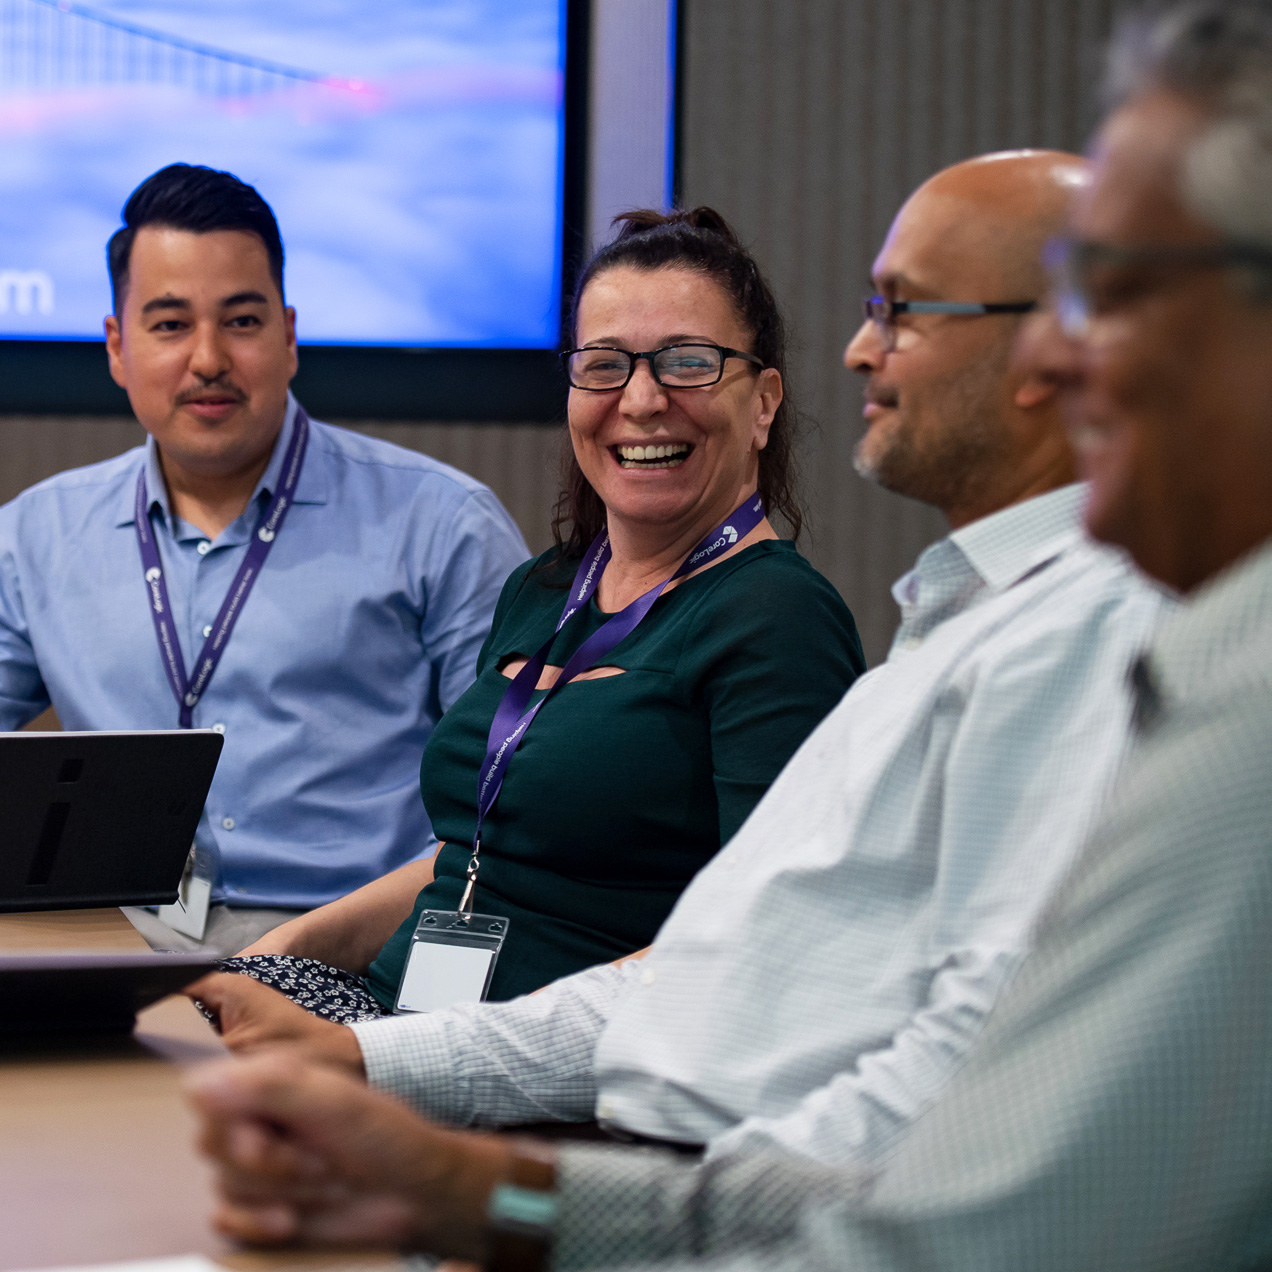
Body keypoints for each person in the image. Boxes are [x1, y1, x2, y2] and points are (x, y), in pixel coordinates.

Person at [187, 2, 1272, 1268]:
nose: (864, 349)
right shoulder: (958, 618)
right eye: (605, 364)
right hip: (610, 1142)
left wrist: (477, 1161)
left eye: (1109, 294)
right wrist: (474, 1175)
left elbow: (962, 1204)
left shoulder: (1148, 669)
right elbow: (760, 1031)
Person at [191, 208, 865, 1021]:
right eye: (605, 365)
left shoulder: (777, 616)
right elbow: (469, 857)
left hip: (535, 1070)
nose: (643, 400)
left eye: (689, 363)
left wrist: (427, 1057)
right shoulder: (546, 587)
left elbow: (758, 936)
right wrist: (268, 959)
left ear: (762, 403)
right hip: (395, 1013)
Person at [0, 163, 530, 957]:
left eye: (242, 322)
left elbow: (511, 804)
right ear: (116, 346)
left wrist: (304, 953)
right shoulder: (35, 537)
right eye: (169, 325)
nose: (208, 359)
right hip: (121, 945)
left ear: (288, 336)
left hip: (353, 951)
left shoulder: (440, 523)